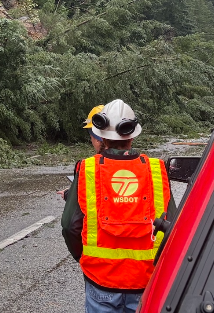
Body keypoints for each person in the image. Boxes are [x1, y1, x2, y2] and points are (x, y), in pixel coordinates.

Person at [61, 99, 173, 313]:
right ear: (132, 134)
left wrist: (83, 258)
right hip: (146, 281)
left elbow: (69, 226)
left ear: (101, 136)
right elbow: (173, 227)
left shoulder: (87, 169)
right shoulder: (156, 170)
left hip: (100, 279)